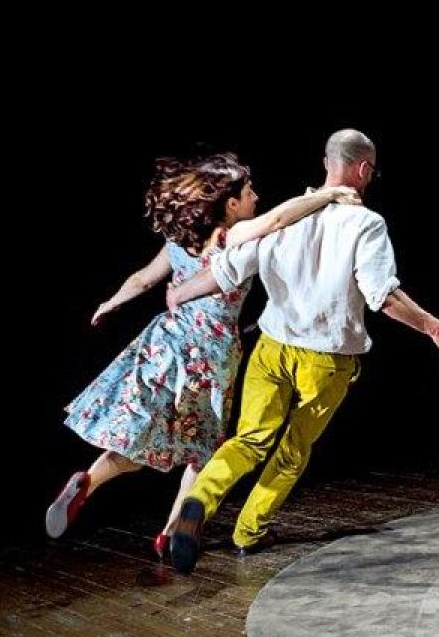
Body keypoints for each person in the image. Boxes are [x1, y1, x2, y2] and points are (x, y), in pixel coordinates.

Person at [165, 129, 439, 573]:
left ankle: (199, 503)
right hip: (324, 360)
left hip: (271, 349)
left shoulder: (283, 217)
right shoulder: (366, 224)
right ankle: (249, 531)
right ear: (364, 169)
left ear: (327, 163)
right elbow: (383, 296)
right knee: (292, 449)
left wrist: (179, 294)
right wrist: (435, 328)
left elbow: (225, 274)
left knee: (248, 440)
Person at [47, 152, 360, 559]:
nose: (256, 197)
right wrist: (329, 193)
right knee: (203, 451)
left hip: (166, 341)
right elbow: (281, 218)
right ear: (230, 204)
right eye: (248, 193)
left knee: (140, 438)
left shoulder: (178, 239)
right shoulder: (232, 237)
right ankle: (171, 532)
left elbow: (143, 280)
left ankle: (89, 480)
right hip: (210, 355)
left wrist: (112, 301)